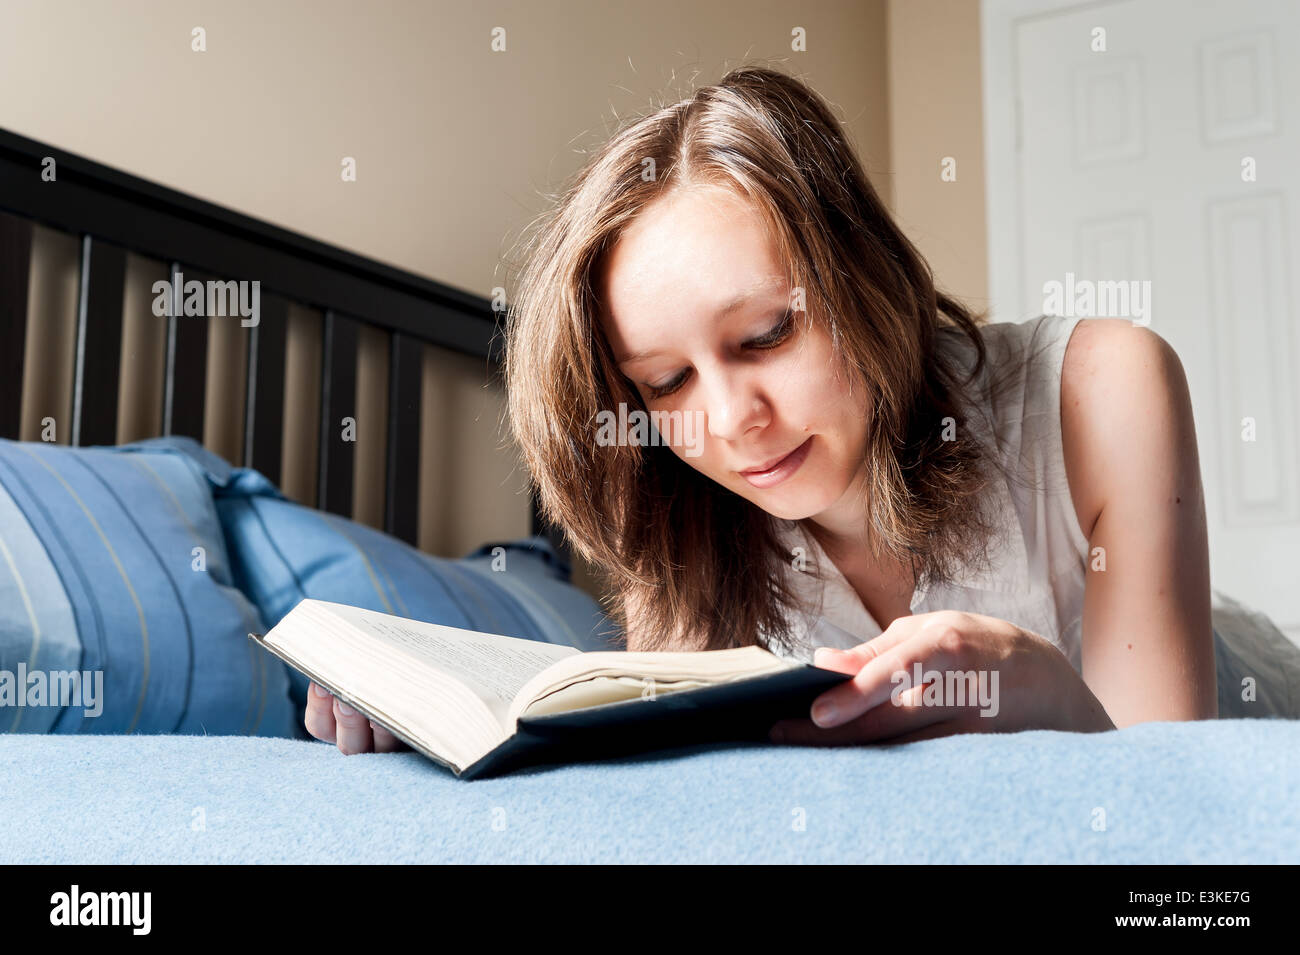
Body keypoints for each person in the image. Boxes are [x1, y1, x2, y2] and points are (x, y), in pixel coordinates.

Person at [306, 65, 1298, 754]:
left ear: (860, 273)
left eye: (766, 336)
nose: (730, 421)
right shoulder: (689, 523)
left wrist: (1037, 690)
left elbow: (1177, 821)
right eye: (664, 383)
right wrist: (420, 719)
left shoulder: (1101, 386)